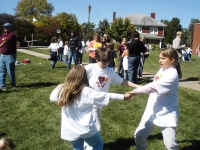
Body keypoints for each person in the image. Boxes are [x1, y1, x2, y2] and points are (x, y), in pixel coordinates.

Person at [50, 65, 133, 150]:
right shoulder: (87, 92)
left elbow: (52, 97)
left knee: (77, 148)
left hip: (71, 129)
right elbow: (107, 95)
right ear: (84, 77)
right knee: (98, 145)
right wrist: (124, 97)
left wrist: (58, 87)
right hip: (85, 129)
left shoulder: (63, 91)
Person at [84, 47, 140, 150]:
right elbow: (77, 77)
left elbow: (123, 81)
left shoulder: (109, 71)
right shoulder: (90, 68)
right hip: (90, 102)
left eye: (107, 62)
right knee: (96, 128)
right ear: (96, 59)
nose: (105, 64)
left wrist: (138, 87)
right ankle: (91, 147)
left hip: (99, 103)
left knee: (89, 128)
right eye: (103, 62)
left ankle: (86, 145)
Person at [127, 48, 179, 150]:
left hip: (166, 113)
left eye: (163, 58)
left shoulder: (172, 75)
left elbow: (153, 87)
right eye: (159, 58)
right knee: (139, 135)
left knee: (170, 144)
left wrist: (134, 91)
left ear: (172, 60)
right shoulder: (163, 69)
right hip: (152, 110)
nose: (160, 61)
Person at [0, 23, 17, 90]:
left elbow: (5, 42)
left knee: (10, 71)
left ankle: (13, 85)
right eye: (4, 27)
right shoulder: (3, 35)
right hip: (3, 55)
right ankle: (2, 85)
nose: (4, 28)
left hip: (10, 55)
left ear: (10, 27)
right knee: (1, 70)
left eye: (6, 27)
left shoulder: (12, 34)